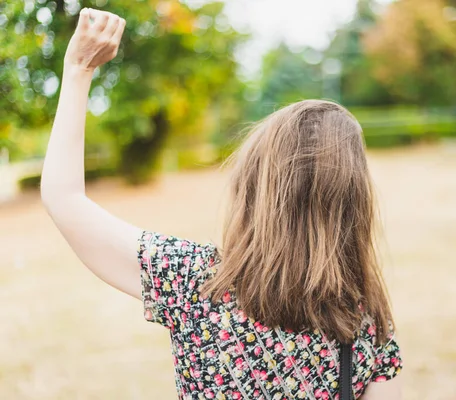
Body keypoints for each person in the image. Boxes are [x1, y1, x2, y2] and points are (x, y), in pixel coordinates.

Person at [41, 8, 403, 400]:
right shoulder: (367, 322)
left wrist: (78, 70)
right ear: (353, 207)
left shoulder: (198, 283)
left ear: (253, 192)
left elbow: (64, 199)